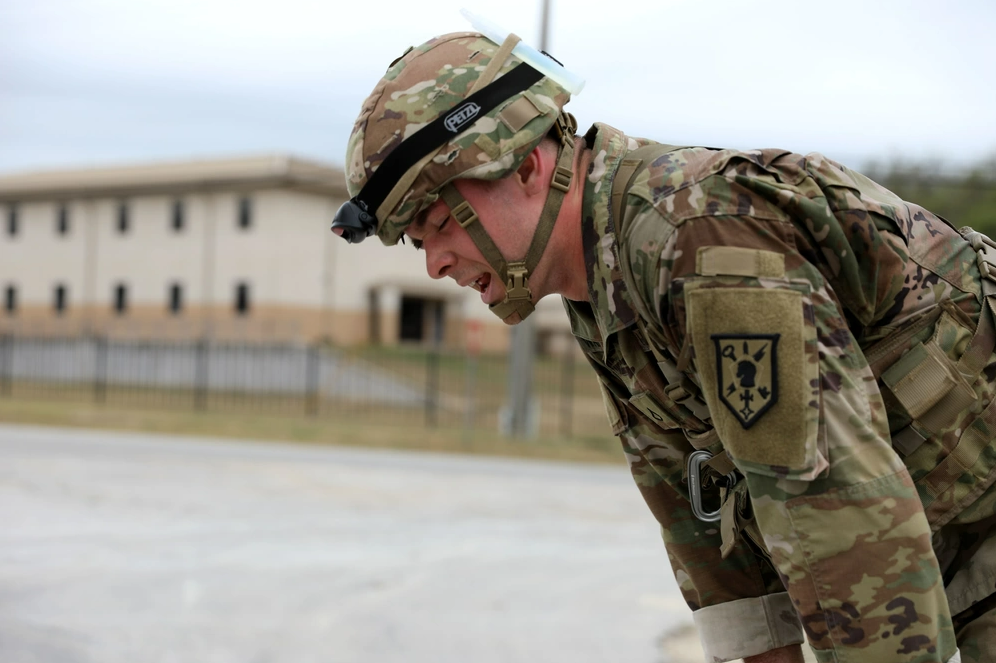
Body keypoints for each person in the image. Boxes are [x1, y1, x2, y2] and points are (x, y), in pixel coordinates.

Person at [332, 30, 996, 663]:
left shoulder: (698, 241)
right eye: (419, 243)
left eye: (440, 224)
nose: (435, 266)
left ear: (528, 166)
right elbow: (696, 507)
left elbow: (837, 505)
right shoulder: (602, 280)